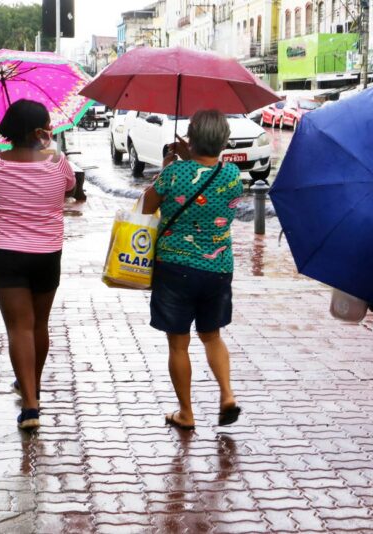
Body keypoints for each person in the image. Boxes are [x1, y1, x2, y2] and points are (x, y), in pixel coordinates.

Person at [0, 99, 76, 430]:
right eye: (48, 125)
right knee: (39, 324)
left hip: (7, 255)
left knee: (20, 328)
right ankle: (34, 385)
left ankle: (30, 405)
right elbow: (69, 190)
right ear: (38, 131)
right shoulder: (58, 162)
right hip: (47, 253)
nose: (52, 129)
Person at [141, 110, 243, 431]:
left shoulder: (174, 173)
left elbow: (146, 207)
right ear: (224, 140)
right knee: (212, 336)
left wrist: (169, 167)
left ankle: (186, 412)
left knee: (178, 344)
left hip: (176, 268)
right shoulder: (233, 175)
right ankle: (227, 394)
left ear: (191, 137)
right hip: (218, 268)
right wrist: (192, 159)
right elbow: (208, 182)